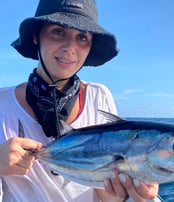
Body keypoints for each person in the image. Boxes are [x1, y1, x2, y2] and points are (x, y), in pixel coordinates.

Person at [0, 0, 159, 201]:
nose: (70, 48)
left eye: (82, 37)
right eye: (58, 31)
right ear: (35, 36)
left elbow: (105, 193)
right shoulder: (2, 103)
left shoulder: (99, 96)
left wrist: (125, 193)